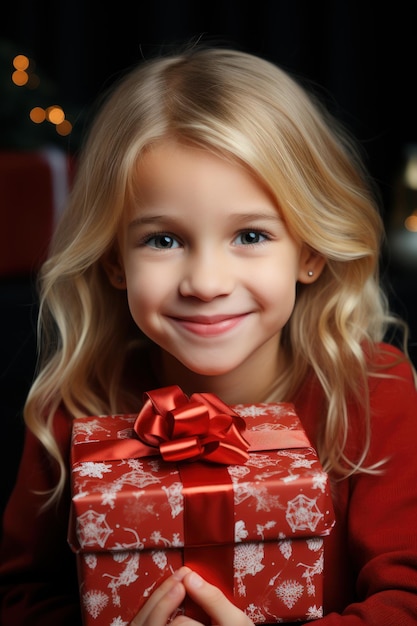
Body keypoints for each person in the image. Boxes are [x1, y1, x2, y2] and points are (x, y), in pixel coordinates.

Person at [1, 44, 416, 626]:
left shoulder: (372, 393)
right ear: (115, 260)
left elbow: (408, 600)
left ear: (311, 251)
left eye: (250, 235)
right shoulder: (69, 407)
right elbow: (20, 598)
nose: (205, 283)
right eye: (162, 240)